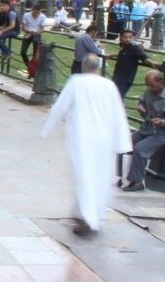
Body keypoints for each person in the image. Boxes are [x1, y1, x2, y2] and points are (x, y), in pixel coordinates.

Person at [40, 54, 133, 235]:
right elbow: (119, 114)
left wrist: (45, 129)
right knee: (99, 176)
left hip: (82, 137)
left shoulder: (76, 82)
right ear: (99, 67)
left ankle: (88, 218)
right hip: (103, 138)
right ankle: (89, 213)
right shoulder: (109, 85)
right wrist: (123, 142)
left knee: (84, 176)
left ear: (83, 66)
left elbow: (60, 107)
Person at [125, 70, 165, 192]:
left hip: (162, 133)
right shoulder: (149, 92)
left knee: (140, 149)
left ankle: (137, 181)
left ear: (161, 82)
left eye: (152, 85)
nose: (150, 88)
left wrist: (162, 122)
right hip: (147, 128)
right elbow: (144, 108)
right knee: (125, 142)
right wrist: (142, 111)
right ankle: (124, 175)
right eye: (148, 85)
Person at [108, 30, 158, 100]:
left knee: (117, 98)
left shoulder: (134, 48)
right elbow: (125, 55)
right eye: (125, 37)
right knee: (111, 97)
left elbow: (144, 57)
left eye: (130, 37)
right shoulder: (123, 46)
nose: (128, 39)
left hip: (125, 80)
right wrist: (112, 55)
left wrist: (154, 64)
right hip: (116, 77)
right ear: (121, 37)